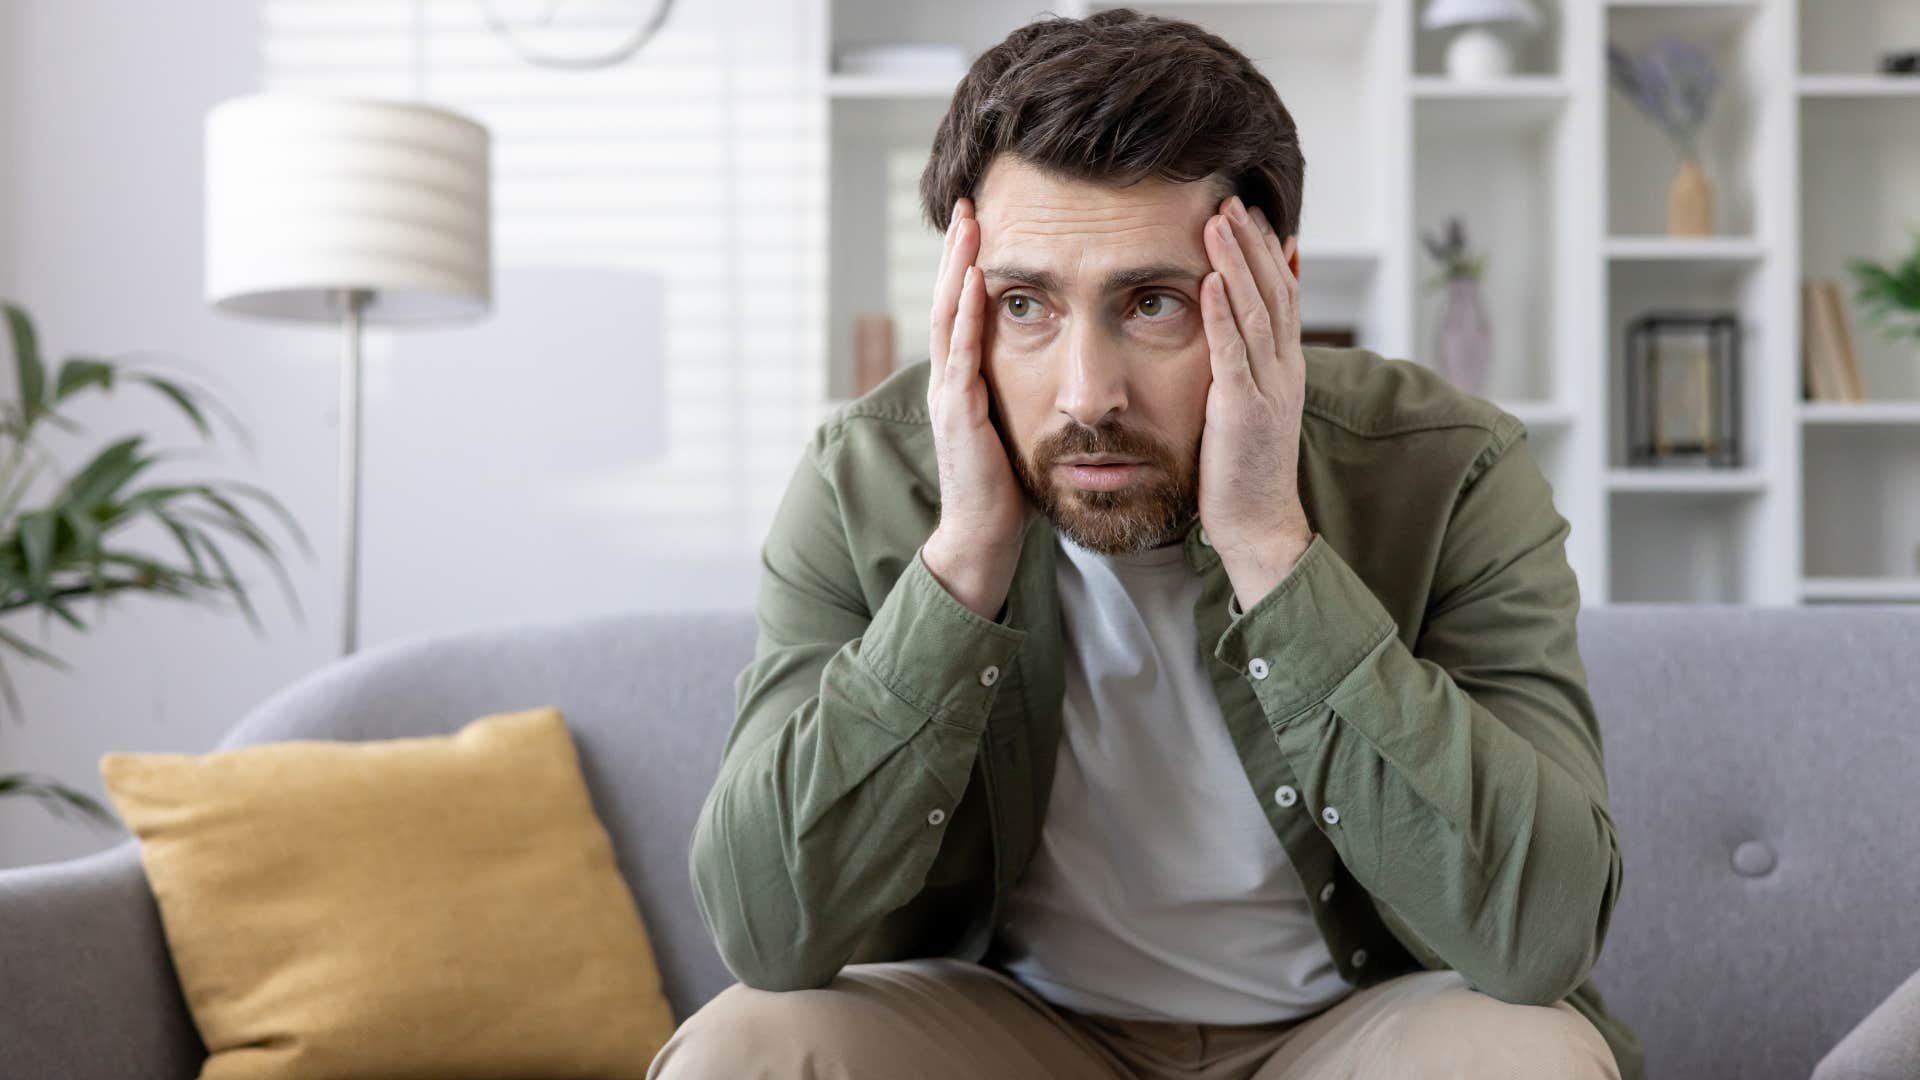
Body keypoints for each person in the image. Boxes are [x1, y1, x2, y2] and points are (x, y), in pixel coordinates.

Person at [651, 8, 1642, 1079]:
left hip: (1356, 1029)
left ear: (1275, 289)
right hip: (1018, 1032)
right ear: (960, 308)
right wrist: (965, 561)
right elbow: (767, 931)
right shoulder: (863, 479)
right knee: (742, 1053)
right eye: (1024, 303)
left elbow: (1540, 933)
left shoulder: (1450, 467)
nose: (1087, 394)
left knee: (1523, 1058)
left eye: (1155, 302)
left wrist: (1271, 544)